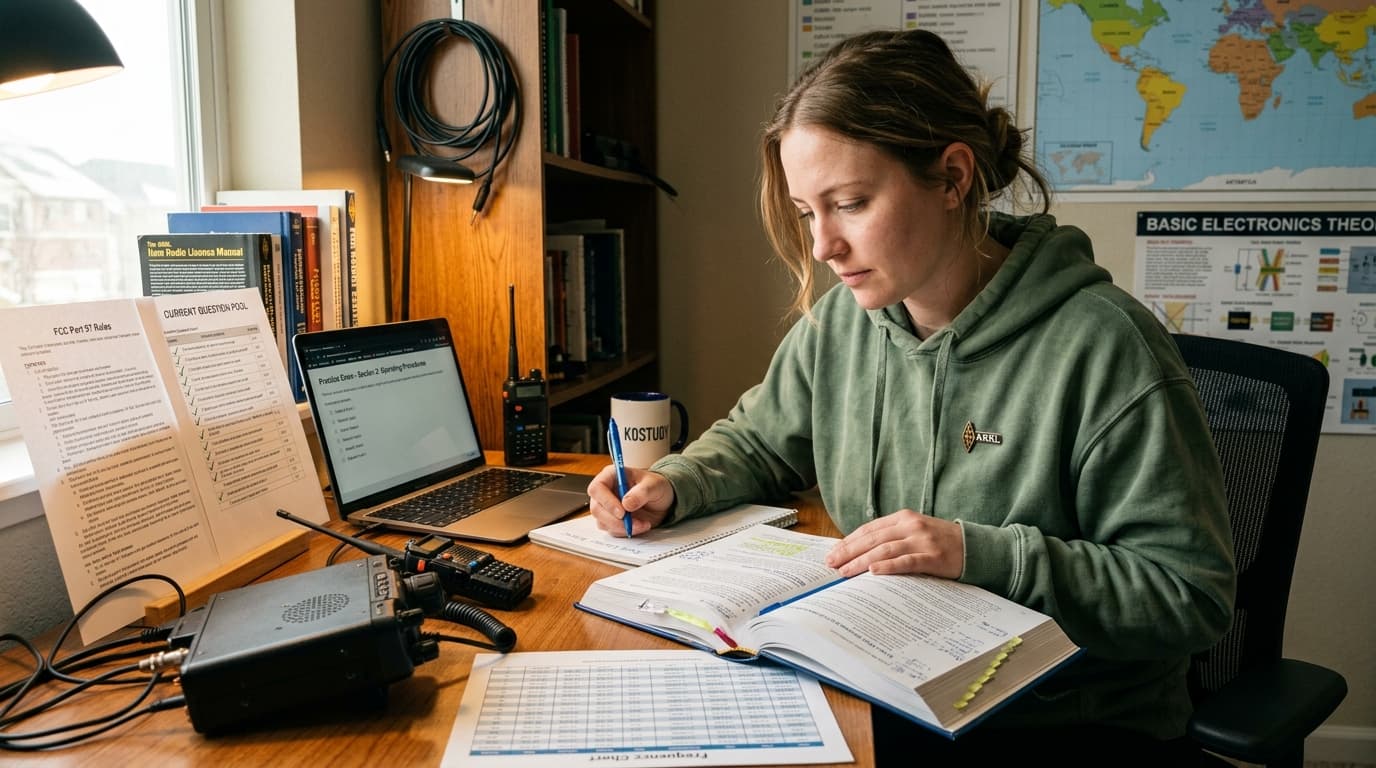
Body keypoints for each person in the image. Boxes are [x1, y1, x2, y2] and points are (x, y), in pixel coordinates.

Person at [586, 28, 1235, 765]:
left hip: (1064, 725)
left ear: (952, 177)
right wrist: (674, 482)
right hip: (888, 686)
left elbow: (1188, 595)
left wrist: (981, 554)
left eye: (850, 203)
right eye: (807, 212)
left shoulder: (1108, 347)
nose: (823, 245)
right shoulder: (842, 323)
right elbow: (760, 440)